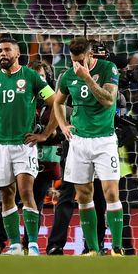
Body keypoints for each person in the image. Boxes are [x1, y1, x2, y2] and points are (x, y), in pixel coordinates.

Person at [0, 37, 59, 256]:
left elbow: (56, 102)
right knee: (6, 195)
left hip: (23, 145)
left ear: (17, 54)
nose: (2, 54)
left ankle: (34, 245)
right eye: (0, 50)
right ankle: (16, 246)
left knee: (26, 192)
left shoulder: (30, 77)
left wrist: (45, 133)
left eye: (7, 50)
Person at [53, 37, 124, 256]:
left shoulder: (108, 68)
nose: (77, 65)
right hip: (79, 142)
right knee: (83, 195)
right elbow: (57, 101)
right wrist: (63, 125)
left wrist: (88, 79)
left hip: (104, 140)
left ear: (91, 55)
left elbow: (109, 100)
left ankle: (117, 248)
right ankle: (92, 249)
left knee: (111, 192)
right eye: (74, 60)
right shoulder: (68, 75)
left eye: (81, 60)